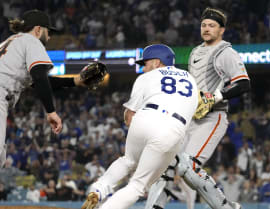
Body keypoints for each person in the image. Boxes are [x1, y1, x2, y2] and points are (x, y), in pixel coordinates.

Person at [0, 9, 101, 209]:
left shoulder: (13, 43)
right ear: (38, 29)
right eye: (49, 31)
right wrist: (51, 111)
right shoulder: (32, 41)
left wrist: (75, 81)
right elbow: (39, 77)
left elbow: (40, 80)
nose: (50, 35)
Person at [145, 7, 250, 209]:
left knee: (188, 167)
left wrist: (216, 96)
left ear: (222, 30)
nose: (207, 28)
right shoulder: (195, 52)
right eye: (204, 25)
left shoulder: (226, 52)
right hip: (190, 117)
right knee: (164, 163)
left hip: (213, 117)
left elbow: (244, 83)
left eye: (212, 25)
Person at [81, 44, 198, 209]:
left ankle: (98, 190)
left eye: (146, 64)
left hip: (146, 118)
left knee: (128, 160)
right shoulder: (191, 79)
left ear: (157, 62)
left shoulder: (146, 77)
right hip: (173, 128)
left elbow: (130, 115)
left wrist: (138, 133)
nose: (143, 69)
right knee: (138, 186)